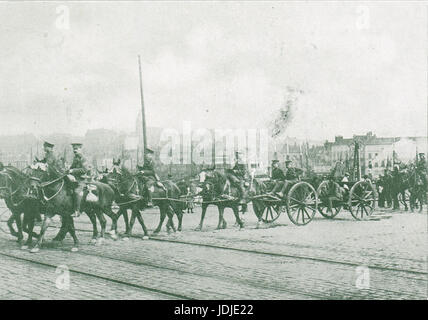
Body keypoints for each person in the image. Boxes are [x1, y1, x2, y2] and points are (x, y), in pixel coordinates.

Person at [69, 143, 89, 218]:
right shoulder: (75, 158)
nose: (75, 150)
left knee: (77, 192)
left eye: (76, 149)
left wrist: (72, 171)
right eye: (74, 149)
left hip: (81, 180)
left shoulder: (83, 158)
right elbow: (72, 167)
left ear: (81, 149)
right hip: (74, 180)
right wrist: (68, 169)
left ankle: (77, 211)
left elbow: (84, 169)